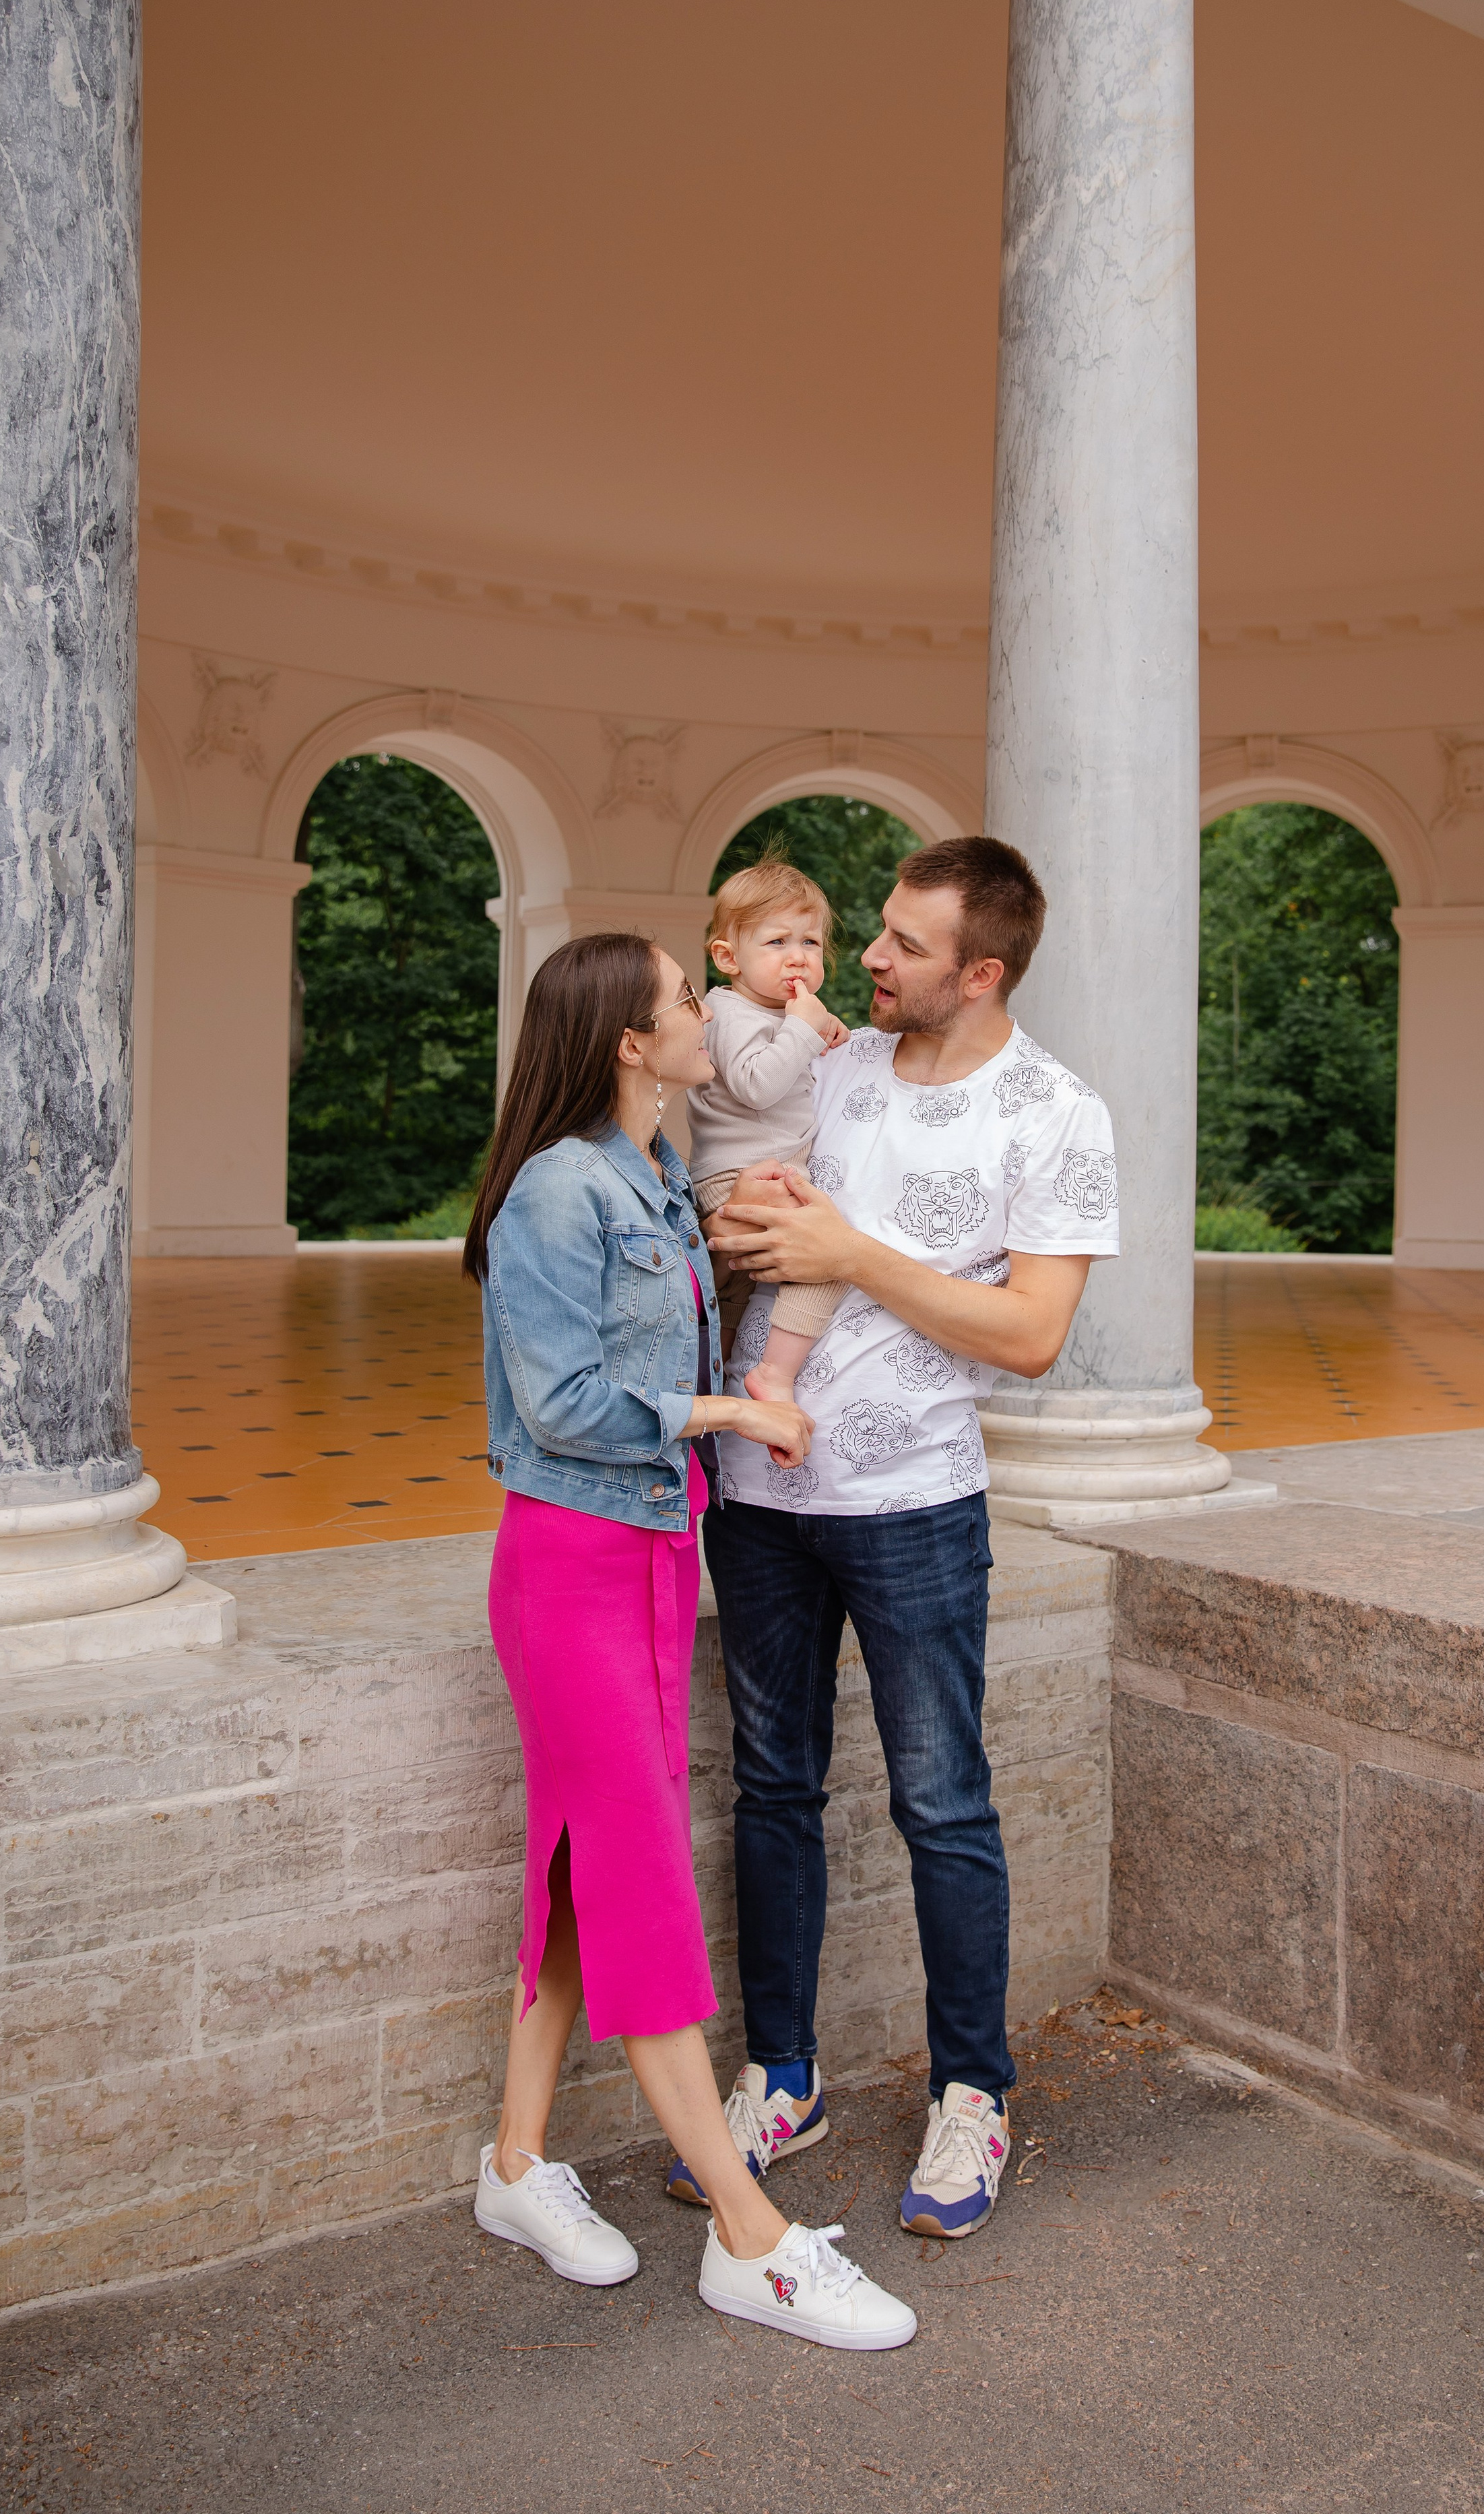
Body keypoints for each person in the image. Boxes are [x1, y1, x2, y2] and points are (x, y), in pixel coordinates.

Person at [461, 930, 915, 2350]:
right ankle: (748, 2234)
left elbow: (659, 1308)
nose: (702, 1013)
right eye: (680, 999)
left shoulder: (652, 1172)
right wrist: (726, 1416)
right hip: (571, 1564)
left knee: (589, 1869)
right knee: (645, 1878)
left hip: (651, 1560)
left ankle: (518, 2166)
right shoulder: (554, 1189)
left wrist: (743, 1227)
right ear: (627, 1041)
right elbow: (561, 1404)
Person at [693, 837, 1121, 2239]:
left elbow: (1034, 1336)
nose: (863, 959)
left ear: (979, 972)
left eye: (900, 944)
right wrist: (732, 1224)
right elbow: (738, 1191)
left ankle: (971, 2095)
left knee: (942, 1804)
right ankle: (782, 2075)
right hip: (760, 1495)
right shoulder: (832, 1066)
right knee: (771, 1787)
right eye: (872, 931)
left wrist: (853, 1258)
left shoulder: (1055, 1113)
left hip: (914, 1505)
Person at [686, 858, 851, 1408]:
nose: (798, 956)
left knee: (731, 1295)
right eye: (777, 941)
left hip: (748, 1175)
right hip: (742, 1177)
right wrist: (806, 1030)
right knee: (828, 1261)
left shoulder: (773, 1013)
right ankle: (776, 1376)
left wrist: (817, 1031)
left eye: (811, 941)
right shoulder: (728, 1013)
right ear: (728, 957)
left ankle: (714, 1382)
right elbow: (758, 1084)